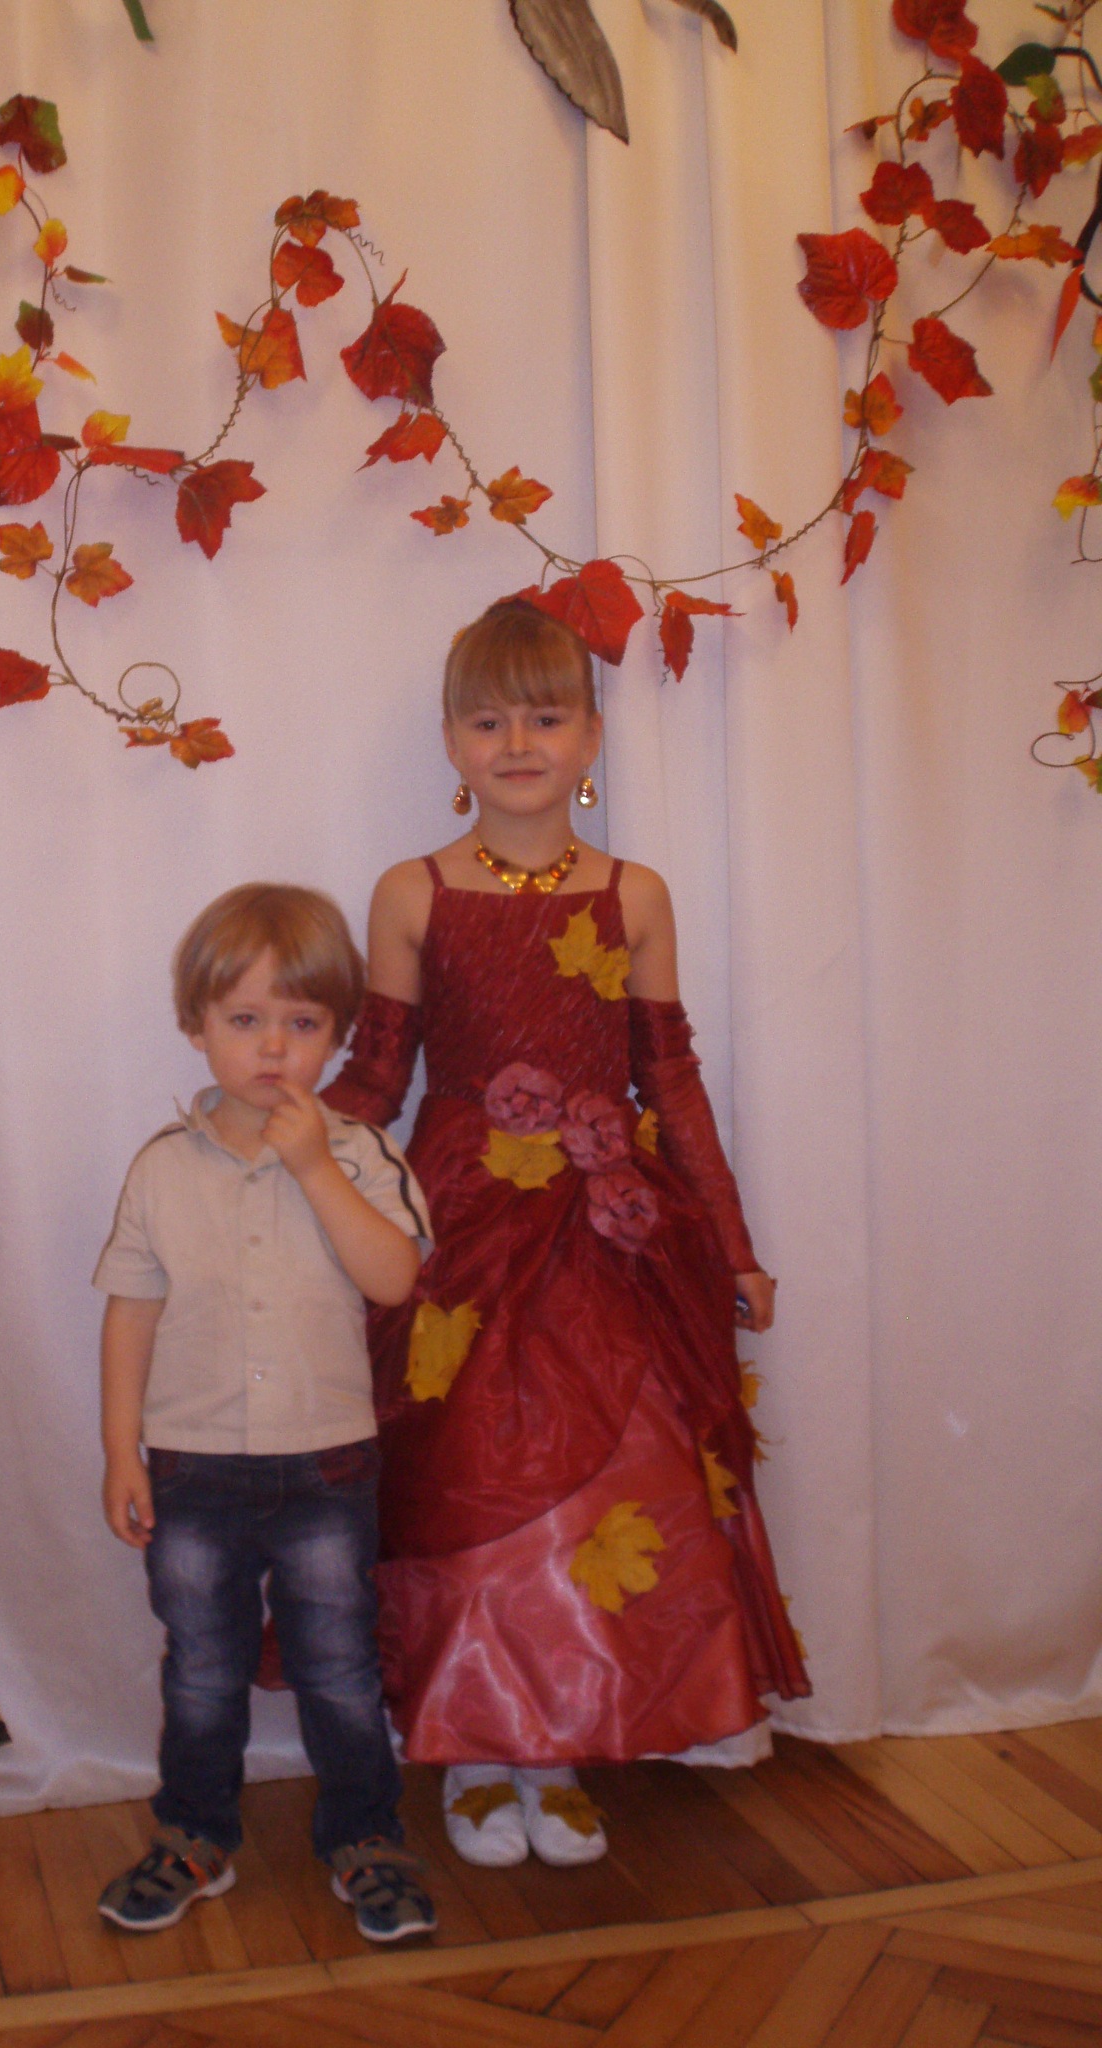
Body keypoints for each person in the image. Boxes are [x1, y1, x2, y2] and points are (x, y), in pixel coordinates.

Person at [322, 600, 809, 1871]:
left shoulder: (635, 892)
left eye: (545, 717)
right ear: (451, 741)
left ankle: (560, 1747)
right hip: (459, 1227)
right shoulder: (412, 892)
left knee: (615, 1481)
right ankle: (477, 1748)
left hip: (606, 1226)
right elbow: (375, 1076)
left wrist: (735, 1245)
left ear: (592, 737)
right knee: (468, 1473)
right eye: (489, 721)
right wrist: (277, 1160)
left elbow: (672, 1079)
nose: (519, 743)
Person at [93, 883, 439, 1942]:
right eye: (245, 1018)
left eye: (303, 1021)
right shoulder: (160, 1168)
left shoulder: (363, 1153)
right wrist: (119, 1451)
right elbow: (130, 1314)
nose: (275, 1047)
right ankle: (194, 1834)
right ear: (195, 1023)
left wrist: (314, 1164)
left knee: (339, 1666)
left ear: (338, 1033)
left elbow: (393, 1278)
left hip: (326, 1467)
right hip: (191, 1465)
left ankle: (365, 1838)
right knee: (201, 1668)